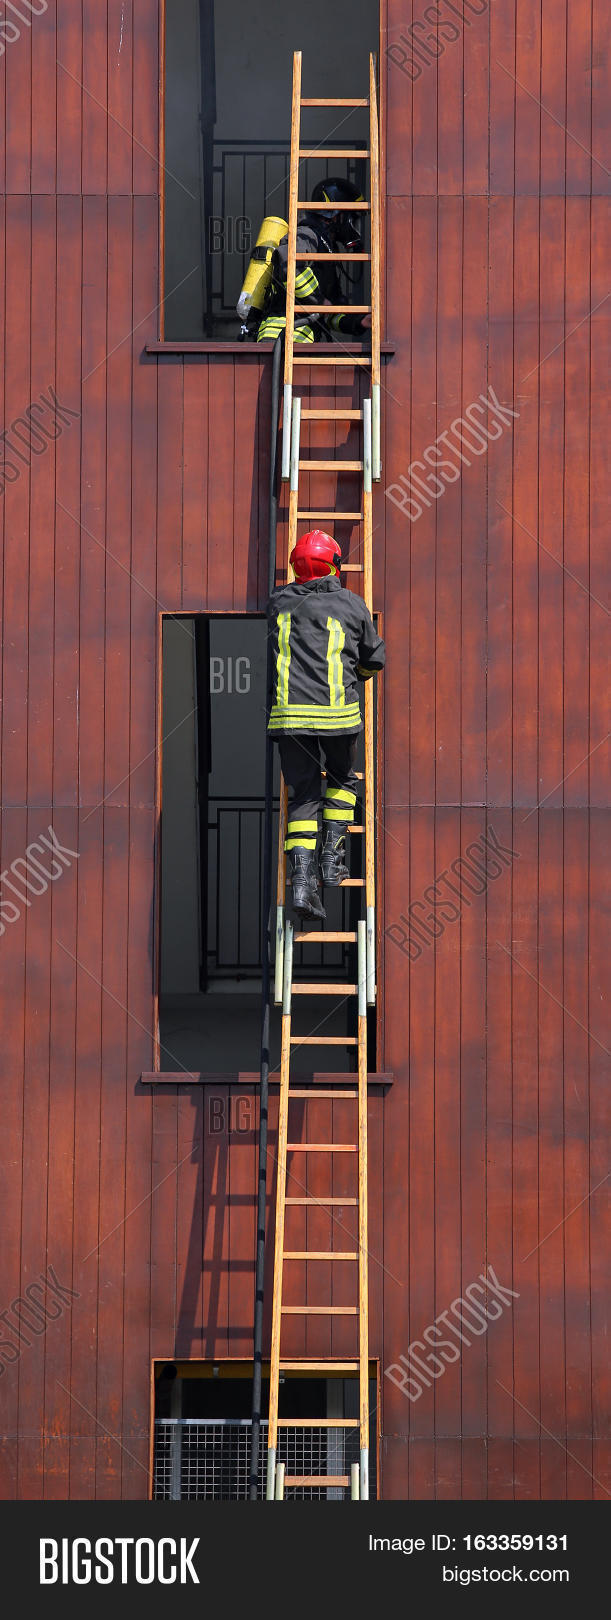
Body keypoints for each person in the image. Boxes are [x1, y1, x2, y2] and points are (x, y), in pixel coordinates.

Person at [267, 529, 385, 921]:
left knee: (303, 796)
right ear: (335, 565)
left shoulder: (279, 603)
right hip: (338, 717)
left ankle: (303, 885)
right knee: (342, 780)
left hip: (290, 720)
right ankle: (332, 862)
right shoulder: (353, 605)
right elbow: (373, 661)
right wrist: (353, 674)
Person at [237, 178, 370, 344]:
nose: (355, 226)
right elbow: (288, 265)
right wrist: (319, 301)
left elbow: (328, 313)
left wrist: (358, 323)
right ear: (338, 215)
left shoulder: (327, 249)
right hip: (279, 338)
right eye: (353, 217)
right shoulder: (307, 234)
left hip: (300, 340)